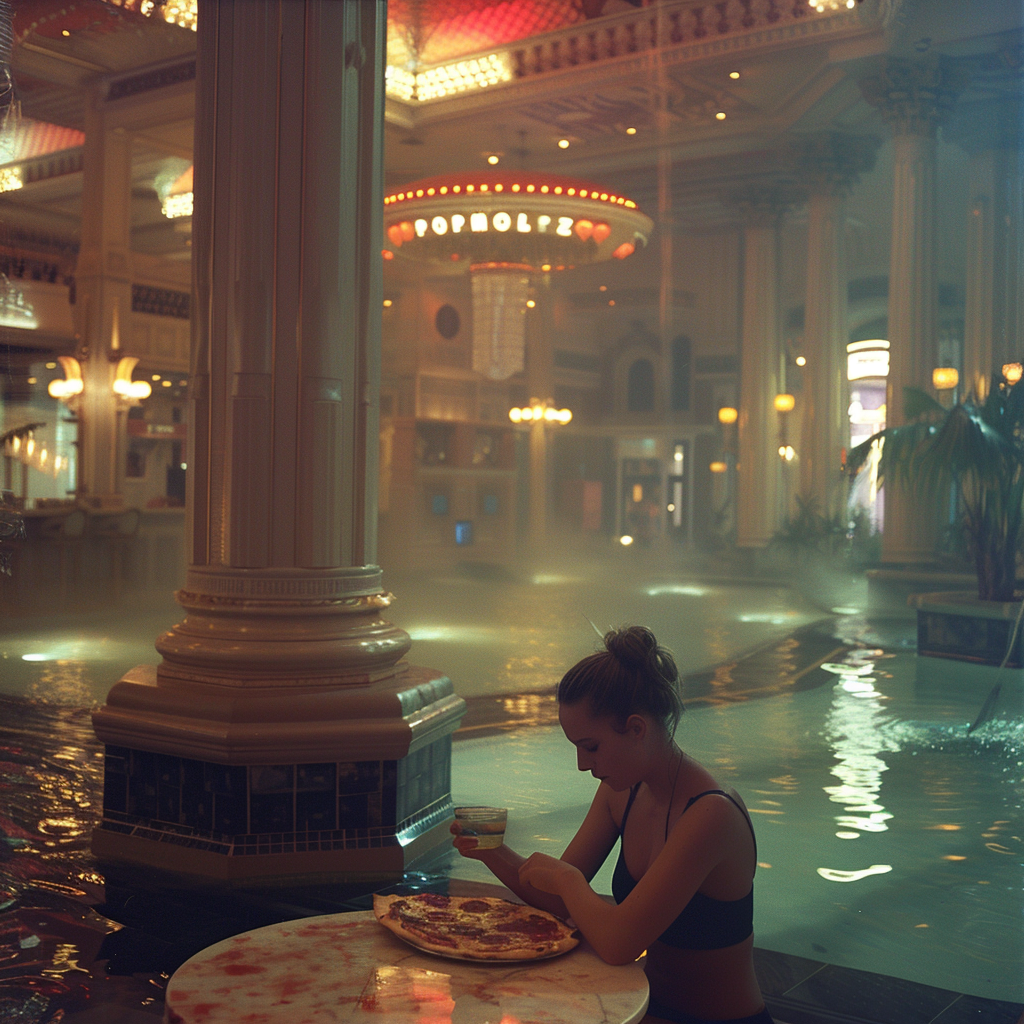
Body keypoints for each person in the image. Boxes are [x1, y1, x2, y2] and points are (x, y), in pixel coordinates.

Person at [451, 625, 773, 1024]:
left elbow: (619, 942)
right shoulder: (621, 794)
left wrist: (568, 879)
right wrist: (491, 851)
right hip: (643, 1009)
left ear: (637, 729)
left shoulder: (711, 815)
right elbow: (555, 899)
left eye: (591, 747)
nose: (582, 765)